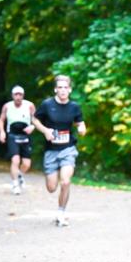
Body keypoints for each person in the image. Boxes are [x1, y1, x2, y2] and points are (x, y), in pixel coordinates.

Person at [31, 75, 86, 226]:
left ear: (70, 89)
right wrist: (45, 131)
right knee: (51, 187)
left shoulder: (74, 107)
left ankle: (61, 213)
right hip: (51, 151)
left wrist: (81, 128)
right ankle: (52, 182)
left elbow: (80, 123)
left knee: (66, 182)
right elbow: (35, 120)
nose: (62, 90)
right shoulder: (47, 105)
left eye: (65, 87)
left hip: (68, 149)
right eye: (59, 87)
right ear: (56, 89)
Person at [0, 85, 36, 195]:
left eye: (20, 94)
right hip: (13, 135)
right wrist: (2, 132)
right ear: (12, 96)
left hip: (25, 136)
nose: (18, 97)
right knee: (15, 160)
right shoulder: (7, 106)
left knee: (27, 164)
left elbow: (36, 119)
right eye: (16, 94)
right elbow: (1, 120)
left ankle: (19, 174)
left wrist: (32, 127)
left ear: (23, 95)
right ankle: (15, 184)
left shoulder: (30, 106)